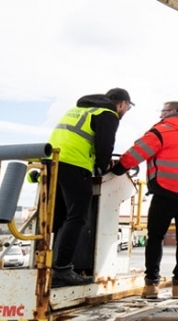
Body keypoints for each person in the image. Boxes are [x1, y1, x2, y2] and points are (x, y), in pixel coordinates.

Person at [111, 101, 178, 299]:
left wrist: (116, 169)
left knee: (155, 237)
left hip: (166, 190)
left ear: (173, 112)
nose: (160, 116)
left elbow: (135, 154)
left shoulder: (161, 131)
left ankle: (151, 286)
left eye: (162, 111)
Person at [48, 88, 134, 287]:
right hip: (74, 165)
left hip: (51, 162)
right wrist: (105, 165)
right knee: (77, 216)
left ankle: (49, 264)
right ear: (121, 103)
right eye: (127, 108)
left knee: (59, 218)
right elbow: (105, 147)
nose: (125, 112)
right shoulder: (108, 114)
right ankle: (61, 270)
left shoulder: (79, 110)